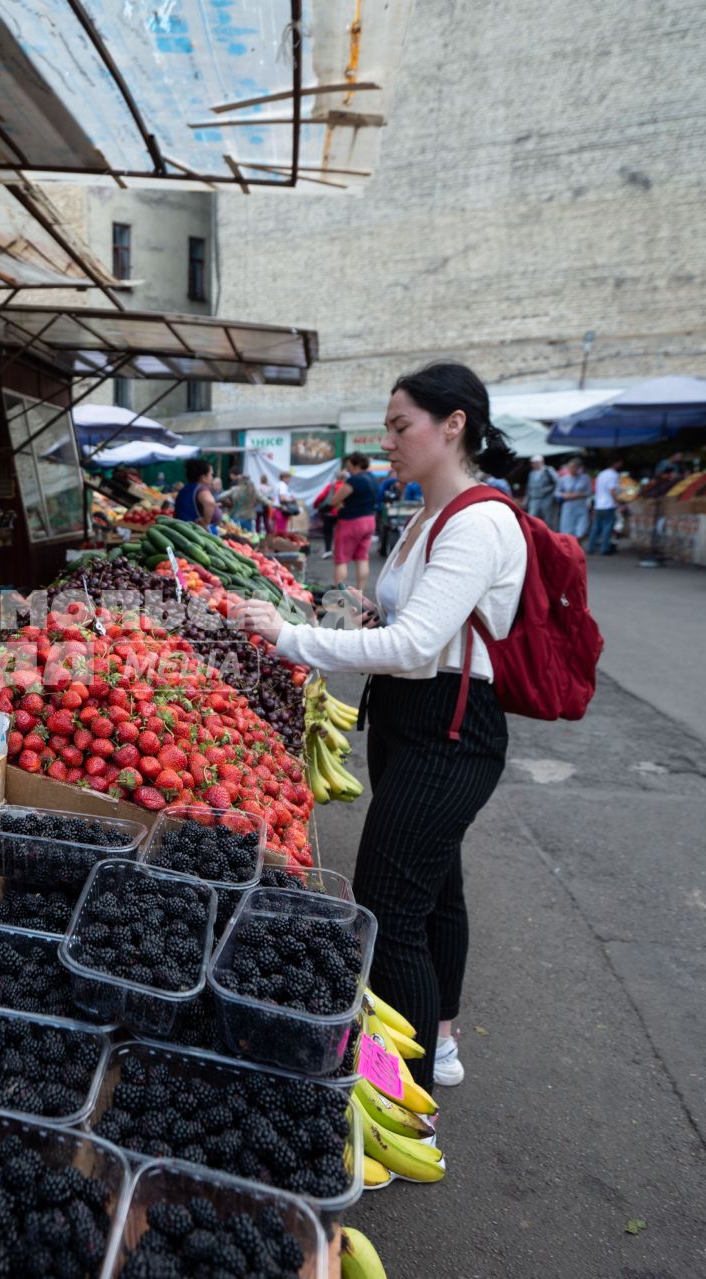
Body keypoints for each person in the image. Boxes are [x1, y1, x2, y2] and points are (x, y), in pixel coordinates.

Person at [230, 362, 527, 1094]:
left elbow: (414, 646)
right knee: (436, 890)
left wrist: (291, 637)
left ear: (452, 424)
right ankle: (442, 1041)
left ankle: (403, 1094)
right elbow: (410, 624)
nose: (388, 442)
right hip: (408, 718)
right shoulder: (428, 513)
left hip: (449, 731)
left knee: (387, 911)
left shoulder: (481, 520)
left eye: (401, 427)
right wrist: (371, 612)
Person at [331, 453, 385, 590]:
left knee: (341, 559)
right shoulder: (373, 478)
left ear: (355, 464)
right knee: (362, 557)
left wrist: (339, 503)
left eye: (349, 465)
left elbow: (334, 500)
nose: (348, 469)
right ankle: (360, 592)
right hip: (369, 520)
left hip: (351, 522)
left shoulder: (354, 480)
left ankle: (340, 595)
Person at [587, 457, 622, 555]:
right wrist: (617, 503)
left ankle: (590, 547)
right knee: (607, 527)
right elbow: (612, 491)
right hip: (608, 504)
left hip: (599, 504)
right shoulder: (613, 475)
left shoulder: (601, 474)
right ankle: (604, 549)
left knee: (595, 527)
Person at [173, 460, 219, 529]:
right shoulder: (201, 488)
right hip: (195, 532)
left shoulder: (185, 489)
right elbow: (210, 502)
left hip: (183, 529)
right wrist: (206, 522)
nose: (212, 477)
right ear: (203, 478)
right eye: (211, 474)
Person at [555, 458, 591, 541]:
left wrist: (576, 495)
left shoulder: (585, 478)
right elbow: (556, 493)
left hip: (581, 506)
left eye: (574, 467)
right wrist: (566, 495)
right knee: (567, 530)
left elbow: (588, 492)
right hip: (568, 507)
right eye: (570, 467)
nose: (572, 469)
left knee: (581, 530)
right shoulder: (563, 479)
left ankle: (578, 548)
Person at [525, 456, 559, 528]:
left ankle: (550, 535)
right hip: (534, 498)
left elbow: (557, 482)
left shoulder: (548, 470)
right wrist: (526, 500)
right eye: (532, 463)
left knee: (548, 519)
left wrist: (549, 491)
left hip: (546, 498)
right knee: (532, 517)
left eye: (535, 463)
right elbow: (529, 487)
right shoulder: (532, 473)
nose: (533, 465)